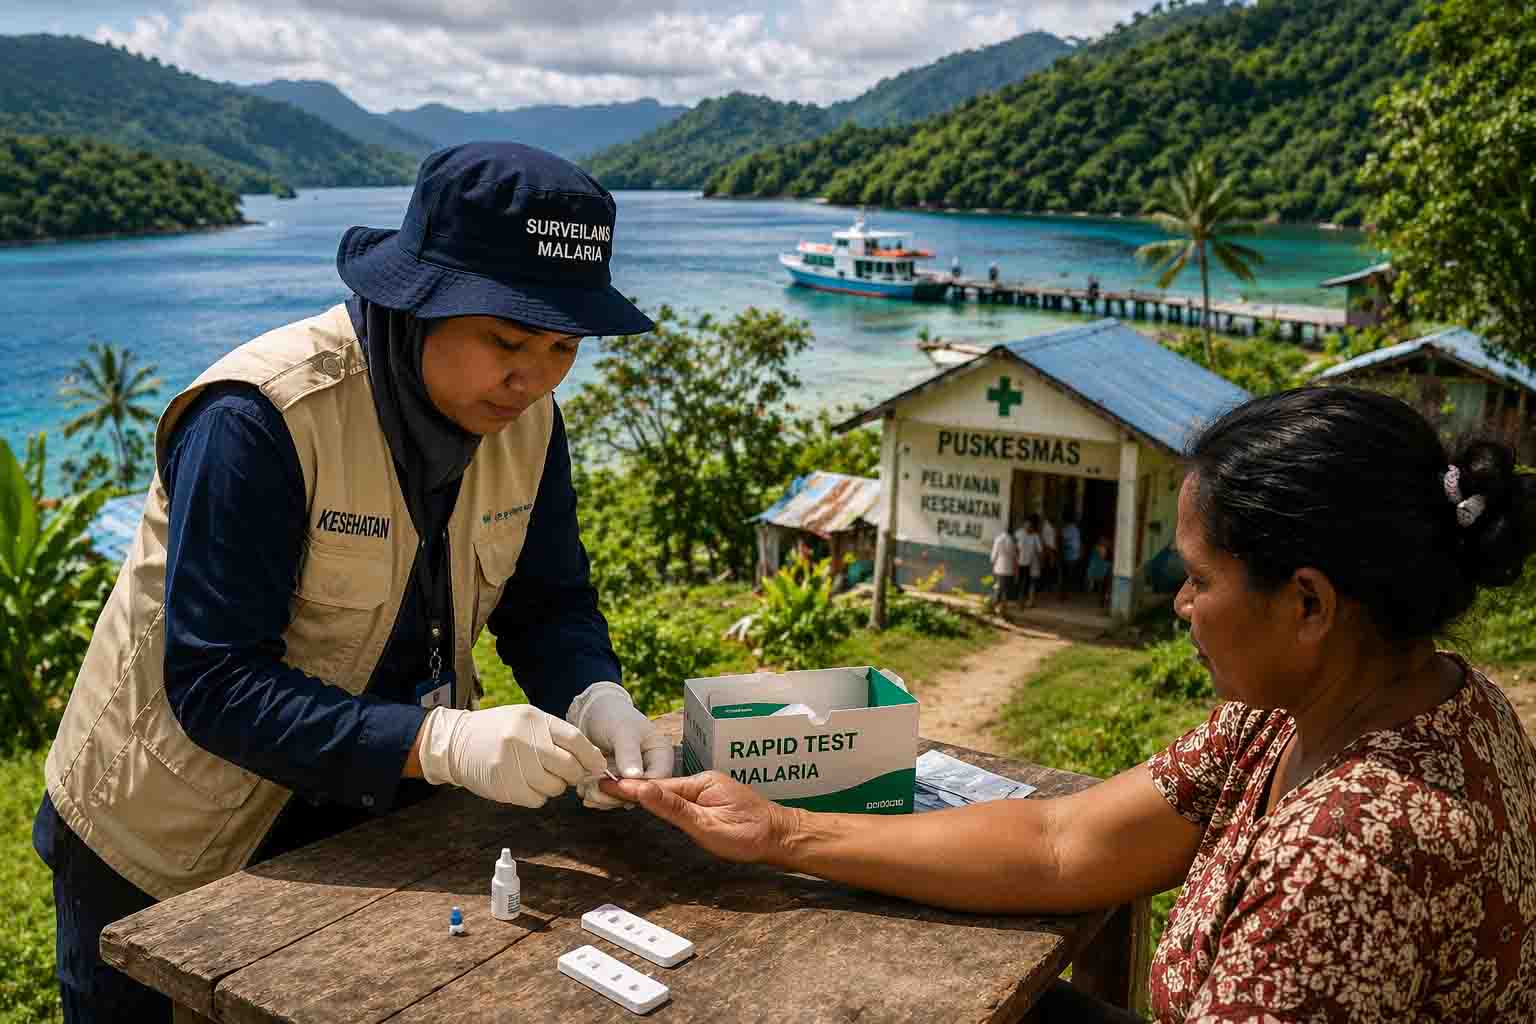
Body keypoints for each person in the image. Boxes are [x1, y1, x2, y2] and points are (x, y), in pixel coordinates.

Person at [605, 387, 1536, 1022]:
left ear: (1308, 604)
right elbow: (1064, 843)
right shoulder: (1349, 704)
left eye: (1199, 578)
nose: (1179, 604)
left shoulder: (1348, 856)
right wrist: (779, 831)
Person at [32, 142, 674, 1023]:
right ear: (422, 303)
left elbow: (546, 601)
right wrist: (446, 743)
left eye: (563, 345)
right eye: (507, 339)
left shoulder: (530, 421)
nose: (532, 377)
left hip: (361, 820)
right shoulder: (258, 420)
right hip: (164, 836)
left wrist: (596, 694)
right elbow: (215, 682)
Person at [1013, 514, 1044, 608]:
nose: (1029, 527)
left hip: (1031, 564)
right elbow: (1015, 549)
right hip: (1020, 563)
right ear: (1024, 524)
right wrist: (1015, 562)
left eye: (1031, 526)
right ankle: (1020, 602)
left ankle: (1029, 601)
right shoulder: (1018, 533)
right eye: (1027, 525)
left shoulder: (1035, 536)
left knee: (1030, 583)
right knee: (1020, 583)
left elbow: (1040, 551)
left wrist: (1041, 562)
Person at [988, 526, 1018, 614]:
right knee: (1005, 589)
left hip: (999, 567)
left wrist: (993, 561)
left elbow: (993, 555)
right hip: (1009, 569)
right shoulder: (1012, 541)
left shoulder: (998, 539)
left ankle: (994, 606)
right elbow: (1015, 556)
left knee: (998, 587)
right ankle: (1002, 608)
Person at [1059, 515, 1082, 597]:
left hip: (1069, 555)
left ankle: (1065, 593)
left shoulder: (1067, 529)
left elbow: (1063, 540)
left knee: (1066, 575)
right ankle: (1067, 592)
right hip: (1074, 555)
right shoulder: (1076, 529)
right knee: (1070, 575)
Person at [1086, 536, 1111, 607]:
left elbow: (1093, 558)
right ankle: (1103, 600)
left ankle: (1102, 600)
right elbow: (1103, 556)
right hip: (1101, 570)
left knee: (1101, 586)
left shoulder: (1095, 548)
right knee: (1103, 586)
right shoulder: (1102, 549)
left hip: (1096, 569)